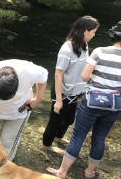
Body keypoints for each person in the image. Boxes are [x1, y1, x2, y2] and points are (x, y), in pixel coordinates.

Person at [47, 20, 121, 179]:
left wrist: (96, 81)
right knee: (100, 138)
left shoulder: (100, 51)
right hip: (114, 105)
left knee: (78, 136)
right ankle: (89, 172)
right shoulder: (74, 48)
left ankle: (62, 172)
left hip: (92, 101)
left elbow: (84, 76)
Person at [42, 16, 99, 154]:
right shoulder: (66, 49)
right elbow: (58, 74)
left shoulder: (84, 45)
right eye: (93, 31)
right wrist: (59, 100)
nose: (94, 34)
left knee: (68, 119)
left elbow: (83, 67)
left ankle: (58, 137)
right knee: (55, 121)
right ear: (85, 31)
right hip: (62, 91)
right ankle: (47, 145)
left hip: (75, 91)